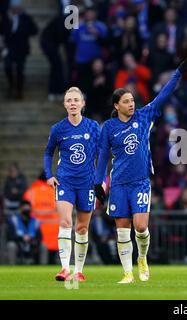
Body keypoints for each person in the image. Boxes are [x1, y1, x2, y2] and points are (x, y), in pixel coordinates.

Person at [94, 57, 187, 284]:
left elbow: (164, 95)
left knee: (140, 227)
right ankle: (128, 273)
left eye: (132, 100)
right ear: (116, 106)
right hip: (118, 182)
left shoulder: (144, 115)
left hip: (140, 182)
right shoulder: (109, 127)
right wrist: (98, 182)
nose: (131, 104)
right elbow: (102, 157)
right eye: (126, 101)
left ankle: (142, 258)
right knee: (122, 229)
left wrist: (178, 73)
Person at [44, 87, 101, 282]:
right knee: (65, 222)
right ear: (65, 104)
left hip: (86, 183)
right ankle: (64, 268)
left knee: (82, 228)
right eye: (69, 100)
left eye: (76, 100)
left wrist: (100, 179)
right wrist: (49, 175)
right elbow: (48, 153)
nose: (73, 103)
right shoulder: (58, 129)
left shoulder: (93, 127)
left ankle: (78, 270)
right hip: (65, 181)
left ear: (83, 104)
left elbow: (103, 153)